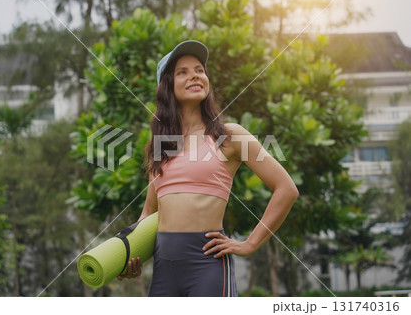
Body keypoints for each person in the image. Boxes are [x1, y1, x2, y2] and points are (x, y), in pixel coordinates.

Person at [117, 40, 299, 297]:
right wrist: (130, 252)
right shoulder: (160, 147)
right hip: (163, 269)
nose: (195, 75)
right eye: (183, 71)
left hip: (207, 266)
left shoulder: (229, 136)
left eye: (199, 70)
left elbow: (286, 189)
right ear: (167, 87)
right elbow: (149, 210)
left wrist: (250, 244)